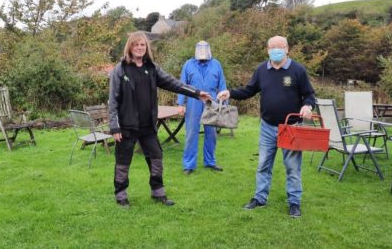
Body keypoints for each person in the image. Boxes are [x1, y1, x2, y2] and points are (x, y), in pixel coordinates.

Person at [108, 32, 212, 208]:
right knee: (123, 161)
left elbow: (174, 83)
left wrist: (196, 93)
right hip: (126, 125)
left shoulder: (151, 68)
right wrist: (115, 126)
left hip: (148, 125)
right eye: (136, 45)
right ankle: (121, 196)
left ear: (146, 47)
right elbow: (113, 100)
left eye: (143, 45)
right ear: (130, 47)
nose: (140, 47)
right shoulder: (121, 69)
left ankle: (158, 193)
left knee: (156, 157)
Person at [217, 36, 315, 218]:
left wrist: (307, 106)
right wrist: (230, 92)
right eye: (272, 47)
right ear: (267, 49)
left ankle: (294, 202)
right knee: (263, 165)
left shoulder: (298, 70)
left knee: (293, 167)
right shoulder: (262, 70)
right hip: (267, 126)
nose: (276, 50)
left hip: (291, 128)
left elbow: (309, 95)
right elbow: (249, 90)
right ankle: (260, 198)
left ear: (287, 49)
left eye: (280, 46)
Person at [177, 41, 227, 174]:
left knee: (211, 134)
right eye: (200, 48)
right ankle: (189, 165)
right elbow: (182, 85)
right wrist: (181, 103)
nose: (203, 50)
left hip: (212, 101)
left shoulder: (216, 64)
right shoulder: (188, 64)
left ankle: (210, 162)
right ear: (196, 50)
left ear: (209, 49)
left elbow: (222, 84)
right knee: (191, 133)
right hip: (194, 100)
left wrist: (224, 103)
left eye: (205, 48)